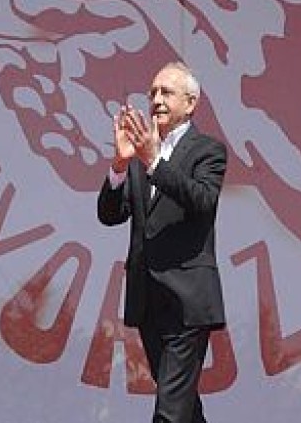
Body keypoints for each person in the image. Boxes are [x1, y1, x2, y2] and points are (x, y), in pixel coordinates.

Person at [96, 62, 226, 423]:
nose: (156, 100)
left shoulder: (208, 150)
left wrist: (153, 160)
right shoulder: (138, 157)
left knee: (169, 409)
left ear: (191, 102)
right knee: (183, 406)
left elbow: (203, 200)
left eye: (166, 92)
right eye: (152, 92)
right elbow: (110, 215)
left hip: (188, 299)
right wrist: (121, 163)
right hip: (148, 297)